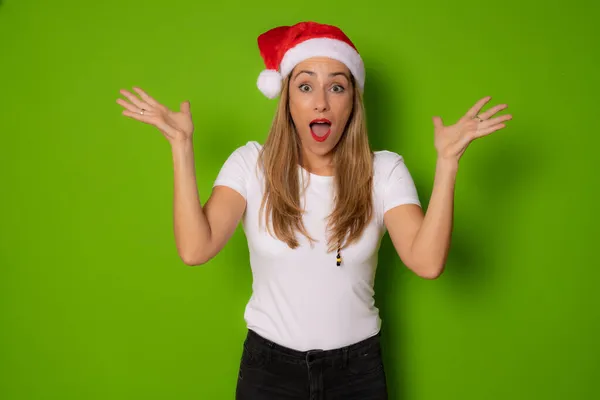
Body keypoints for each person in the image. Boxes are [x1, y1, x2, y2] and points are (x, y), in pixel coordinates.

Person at [116, 21, 511, 400]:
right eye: (305, 86)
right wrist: (181, 148)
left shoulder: (384, 171)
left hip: (358, 373)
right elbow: (194, 249)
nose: (321, 101)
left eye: (336, 87)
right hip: (268, 372)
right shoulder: (251, 164)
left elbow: (426, 262)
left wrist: (448, 163)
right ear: (287, 99)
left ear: (352, 102)